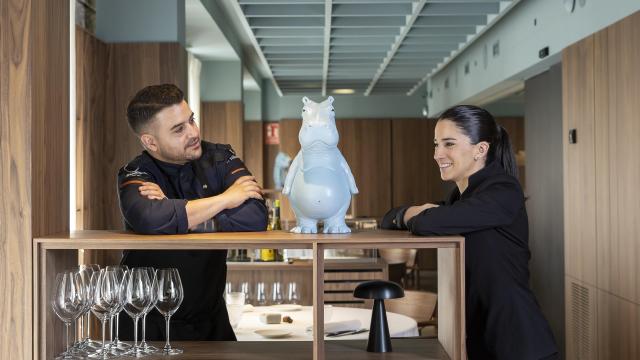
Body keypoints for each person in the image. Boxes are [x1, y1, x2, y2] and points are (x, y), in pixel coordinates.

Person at [381, 105, 558, 360]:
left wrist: (416, 215)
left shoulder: (503, 191)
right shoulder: (461, 198)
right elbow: (390, 218)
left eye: (449, 144)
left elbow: (426, 224)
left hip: (518, 342)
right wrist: (414, 214)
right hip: (481, 340)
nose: (437, 154)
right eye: (436, 144)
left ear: (481, 149)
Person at [116, 84, 267, 341]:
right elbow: (149, 218)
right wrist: (226, 199)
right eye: (179, 129)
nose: (193, 132)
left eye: (191, 120)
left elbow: (255, 216)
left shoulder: (221, 157)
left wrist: (178, 213)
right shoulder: (135, 172)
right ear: (150, 141)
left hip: (212, 319)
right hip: (144, 322)